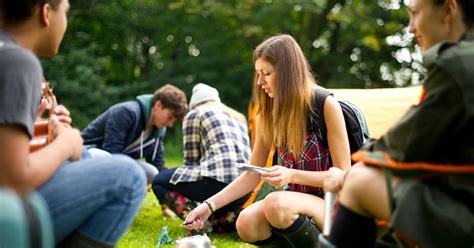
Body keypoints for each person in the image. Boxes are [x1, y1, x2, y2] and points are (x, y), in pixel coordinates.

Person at [322, 0, 474, 247]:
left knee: (360, 182)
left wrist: (346, 174)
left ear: (448, 9)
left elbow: (408, 143)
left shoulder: (458, 63)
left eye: (415, 14)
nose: (410, 28)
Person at [0, 0, 147, 246]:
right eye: (65, 12)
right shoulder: (18, 61)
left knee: (88, 159)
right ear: (46, 13)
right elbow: (12, 180)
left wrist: (45, 127)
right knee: (128, 175)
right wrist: (66, 144)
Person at [184, 35, 351, 247]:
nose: (260, 82)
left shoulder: (325, 104)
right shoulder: (269, 114)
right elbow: (251, 176)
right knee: (246, 222)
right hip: (295, 201)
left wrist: (292, 174)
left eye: (267, 74)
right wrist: (209, 206)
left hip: (332, 204)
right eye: (258, 74)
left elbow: (342, 176)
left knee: (276, 203)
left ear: (288, 73)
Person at [152, 83, 252, 233]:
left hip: (216, 182)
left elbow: (190, 163)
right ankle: (223, 222)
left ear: (194, 103)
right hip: (243, 189)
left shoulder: (195, 114)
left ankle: (196, 222)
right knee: (213, 200)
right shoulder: (238, 118)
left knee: (159, 181)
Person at [81, 84, 188, 173]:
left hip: (115, 161)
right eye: (169, 117)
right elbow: (111, 153)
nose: (170, 124)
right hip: (84, 154)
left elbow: (158, 166)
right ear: (158, 105)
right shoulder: (126, 112)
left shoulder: (158, 131)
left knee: (152, 172)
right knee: (104, 156)